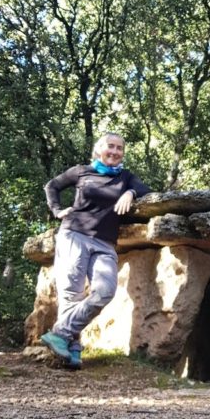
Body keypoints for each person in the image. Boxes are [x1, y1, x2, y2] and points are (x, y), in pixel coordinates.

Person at [40, 133, 151, 369]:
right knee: (72, 294)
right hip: (74, 234)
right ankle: (72, 350)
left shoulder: (126, 177)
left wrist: (130, 193)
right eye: (110, 146)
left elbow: (146, 189)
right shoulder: (82, 171)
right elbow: (52, 185)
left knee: (105, 291)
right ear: (99, 149)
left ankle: (60, 334)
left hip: (105, 243)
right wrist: (57, 210)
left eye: (119, 148)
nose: (114, 151)